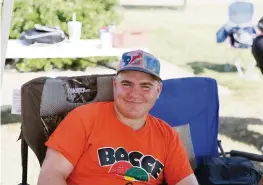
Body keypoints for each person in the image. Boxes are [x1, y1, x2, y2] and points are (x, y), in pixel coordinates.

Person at [37, 49, 199, 185]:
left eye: (145, 86)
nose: (135, 94)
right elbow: (50, 176)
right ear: (115, 85)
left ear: (158, 91)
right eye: (127, 84)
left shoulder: (167, 136)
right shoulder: (84, 119)